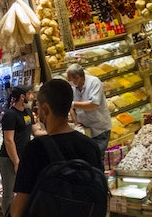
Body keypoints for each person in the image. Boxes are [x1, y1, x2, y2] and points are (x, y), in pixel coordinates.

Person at [10, 79, 104, 217]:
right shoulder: (90, 146)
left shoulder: (34, 149)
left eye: (39, 106)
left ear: (45, 109)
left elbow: (18, 211)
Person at [0, 86, 44, 217]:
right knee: (9, 192)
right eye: (30, 94)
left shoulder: (28, 112)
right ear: (22, 97)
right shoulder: (10, 115)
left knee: (23, 191)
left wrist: (51, 132)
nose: (32, 97)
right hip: (8, 158)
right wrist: (16, 162)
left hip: (23, 158)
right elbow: (8, 141)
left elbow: (36, 131)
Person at [66, 63, 112, 161]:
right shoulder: (73, 88)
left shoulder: (94, 82)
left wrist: (72, 104)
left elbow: (93, 105)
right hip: (85, 130)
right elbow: (71, 108)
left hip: (99, 129)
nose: (69, 82)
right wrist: (76, 122)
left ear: (77, 78)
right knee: (88, 159)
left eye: (70, 79)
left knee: (97, 158)